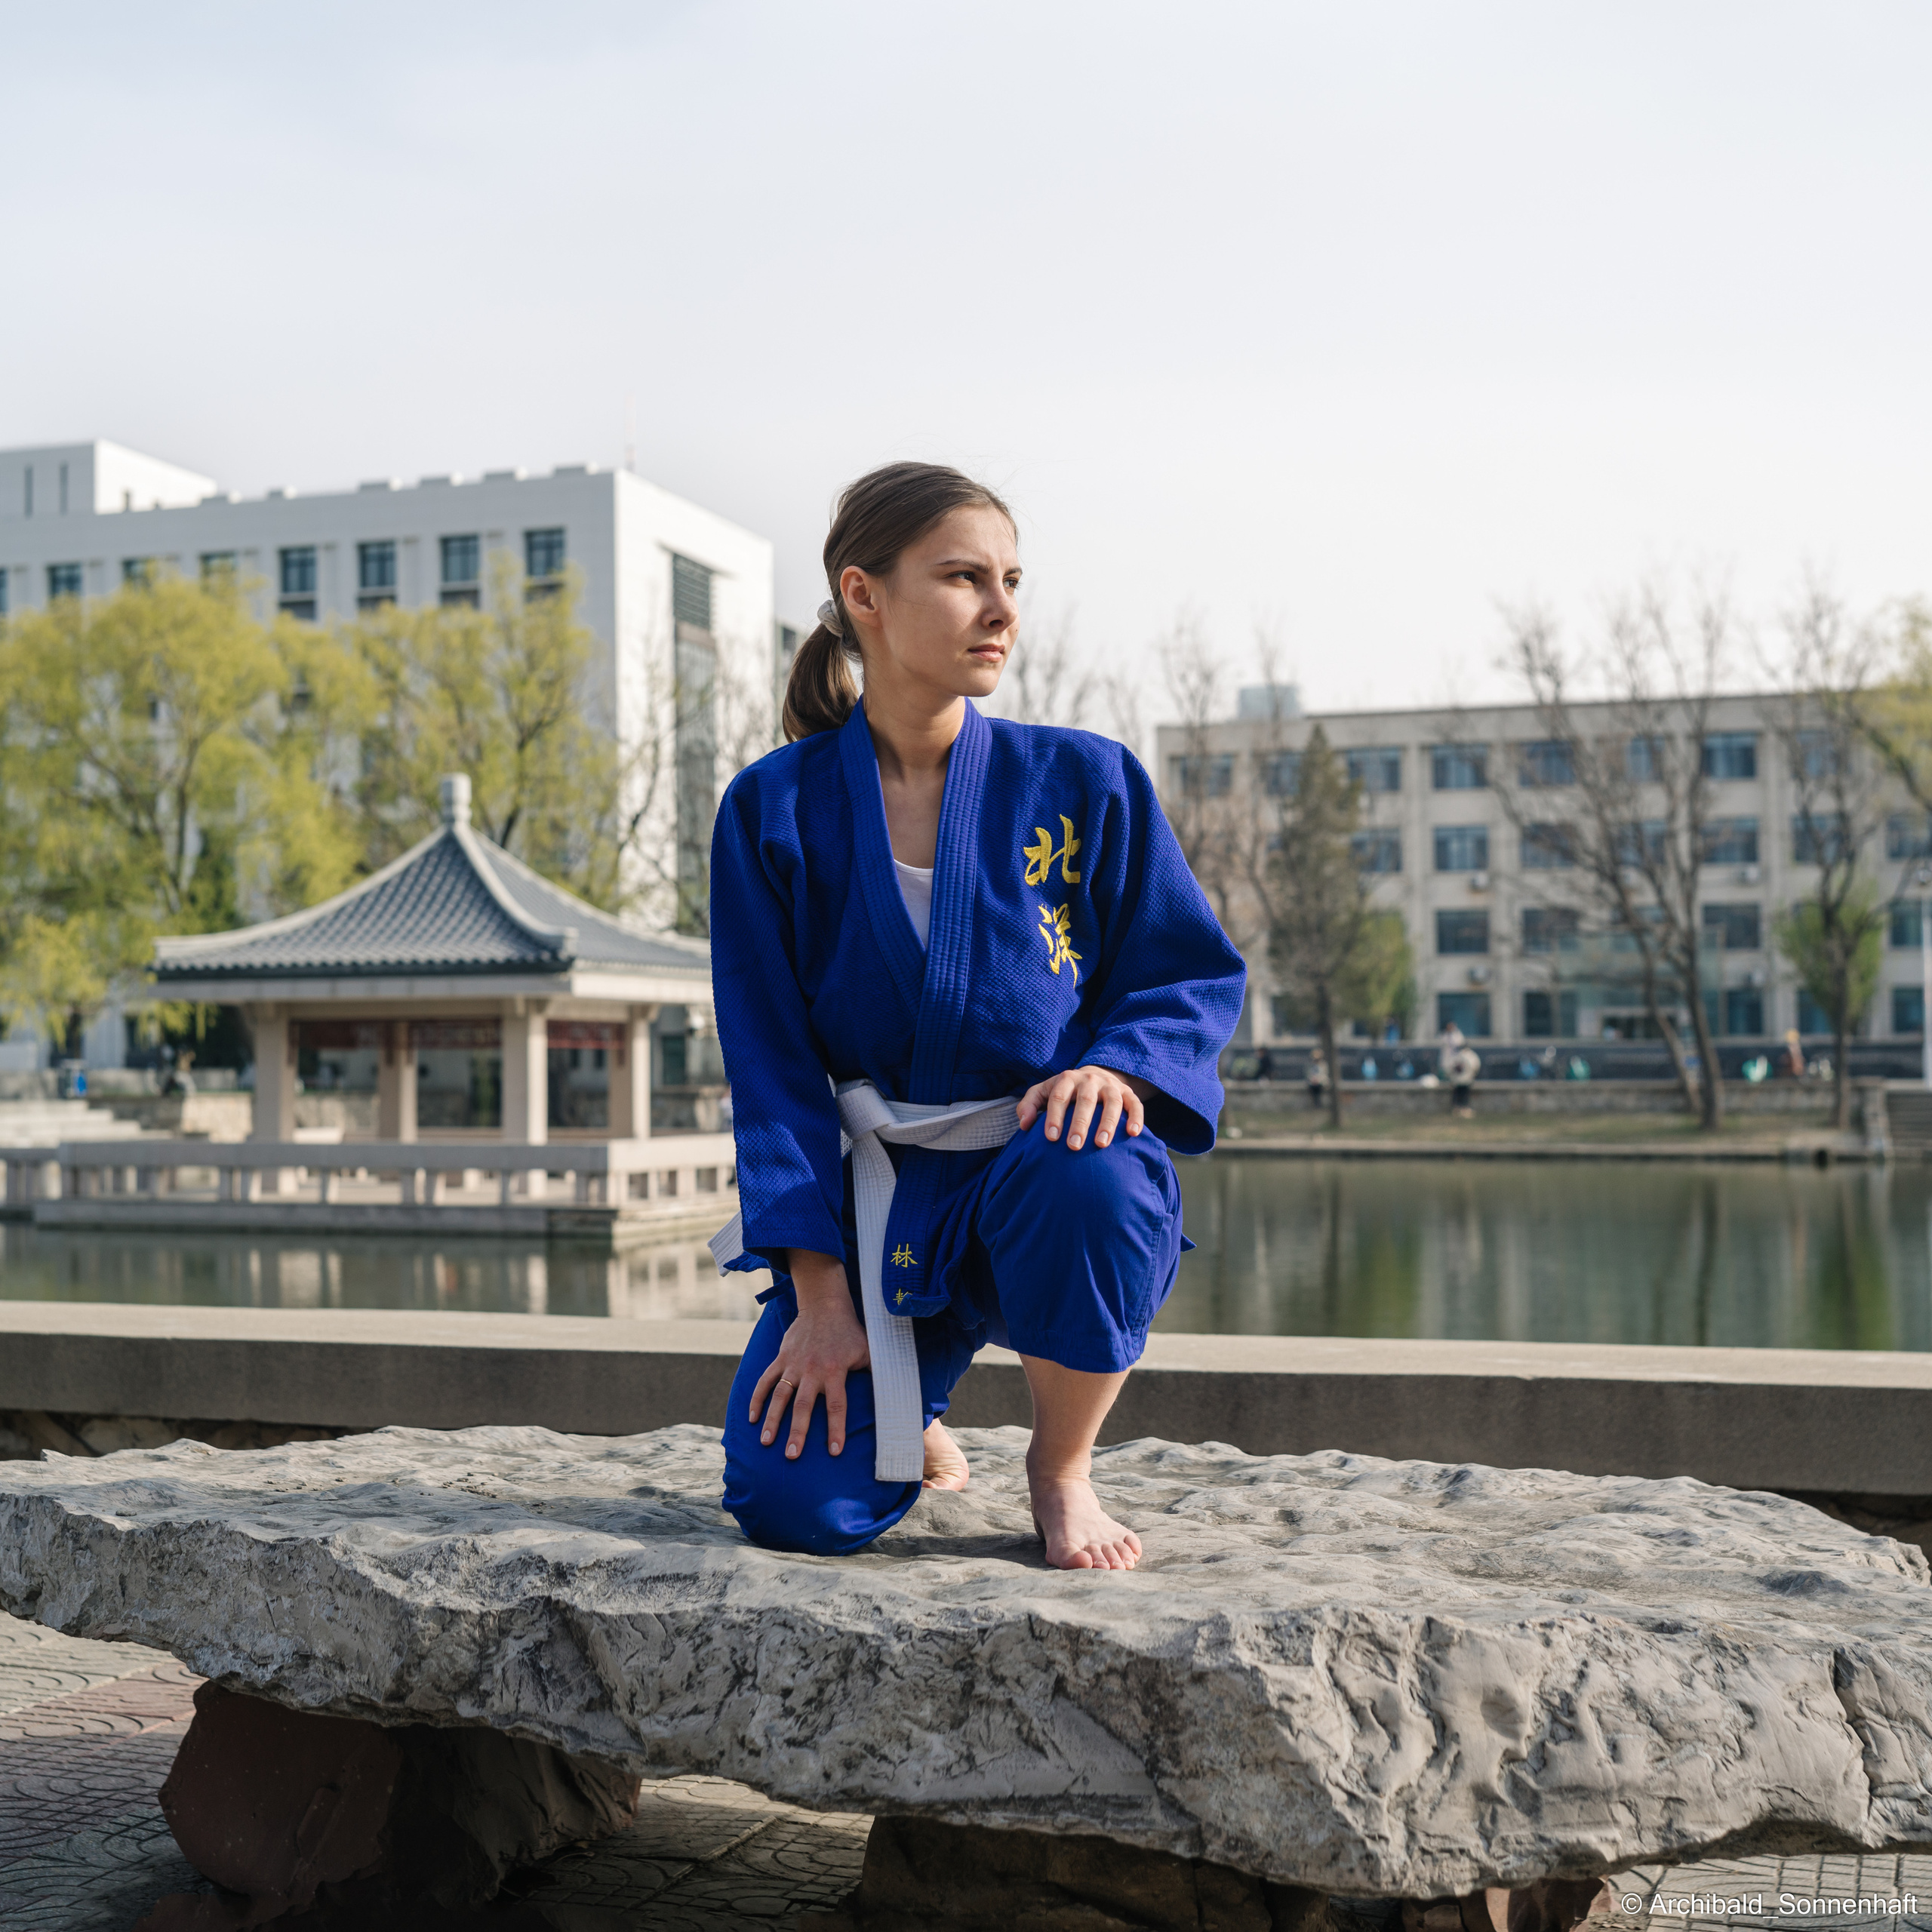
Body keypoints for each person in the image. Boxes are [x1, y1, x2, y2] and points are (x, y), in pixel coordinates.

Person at [709, 463, 1246, 1572]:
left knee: (1093, 1160)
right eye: (962, 578)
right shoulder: (774, 809)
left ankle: (1062, 1468)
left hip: (1043, 1178)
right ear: (865, 595)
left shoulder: (1087, 782)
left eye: (1010, 579)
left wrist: (1124, 1072)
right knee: (793, 1508)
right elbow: (769, 1066)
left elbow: (1187, 974)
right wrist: (818, 1300)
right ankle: (917, 1397)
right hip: (877, 1211)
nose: (1001, 608)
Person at [1445, 1041, 1481, 1117]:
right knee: (1464, 1095)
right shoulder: (1471, 1055)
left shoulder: (1456, 1055)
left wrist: (1451, 1076)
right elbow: (1475, 1066)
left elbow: (1450, 1067)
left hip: (1457, 1080)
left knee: (1458, 1094)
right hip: (1466, 1080)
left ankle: (1457, 1109)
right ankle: (1464, 1109)